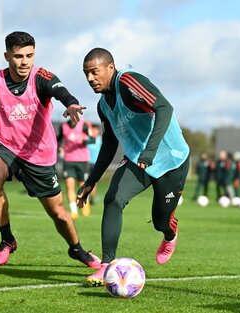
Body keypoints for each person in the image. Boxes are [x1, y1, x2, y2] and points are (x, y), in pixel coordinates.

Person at [0, 31, 101, 268]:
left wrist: (72, 104)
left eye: (29, 55)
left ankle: (77, 249)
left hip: (39, 154)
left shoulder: (42, 77)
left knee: (59, 214)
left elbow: (61, 92)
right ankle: (7, 240)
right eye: (18, 56)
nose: (24, 61)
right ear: (7, 56)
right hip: (5, 146)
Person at [78, 48, 190, 286]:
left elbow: (164, 108)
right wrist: (91, 181)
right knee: (113, 199)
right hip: (138, 159)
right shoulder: (103, 106)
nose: (90, 79)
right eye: (86, 74)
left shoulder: (129, 82)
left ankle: (170, 233)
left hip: (171, 158)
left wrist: (150, 151)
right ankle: (107, 265)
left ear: (110, 67)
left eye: (94, 72)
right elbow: (109, 144)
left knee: (161, 221)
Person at [56, 118, 95, 218]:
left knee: (82, 185)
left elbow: (92, 139)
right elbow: (58, 140)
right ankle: (74, 211)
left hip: (82, 160)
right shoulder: (63, 126)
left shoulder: (84, 125)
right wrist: (59, 147)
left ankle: (85, 206)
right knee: (69, 186)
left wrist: (84, 141)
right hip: (68, 160)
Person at [86, 124, 102, 206]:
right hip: (86, 163)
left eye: (96, 130)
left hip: (96, 164)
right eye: (93, 130)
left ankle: (91, 198)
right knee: (84, 181)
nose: (94, 131)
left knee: (93, 182)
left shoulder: (100, 140)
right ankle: (85, 196)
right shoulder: (87, 139)